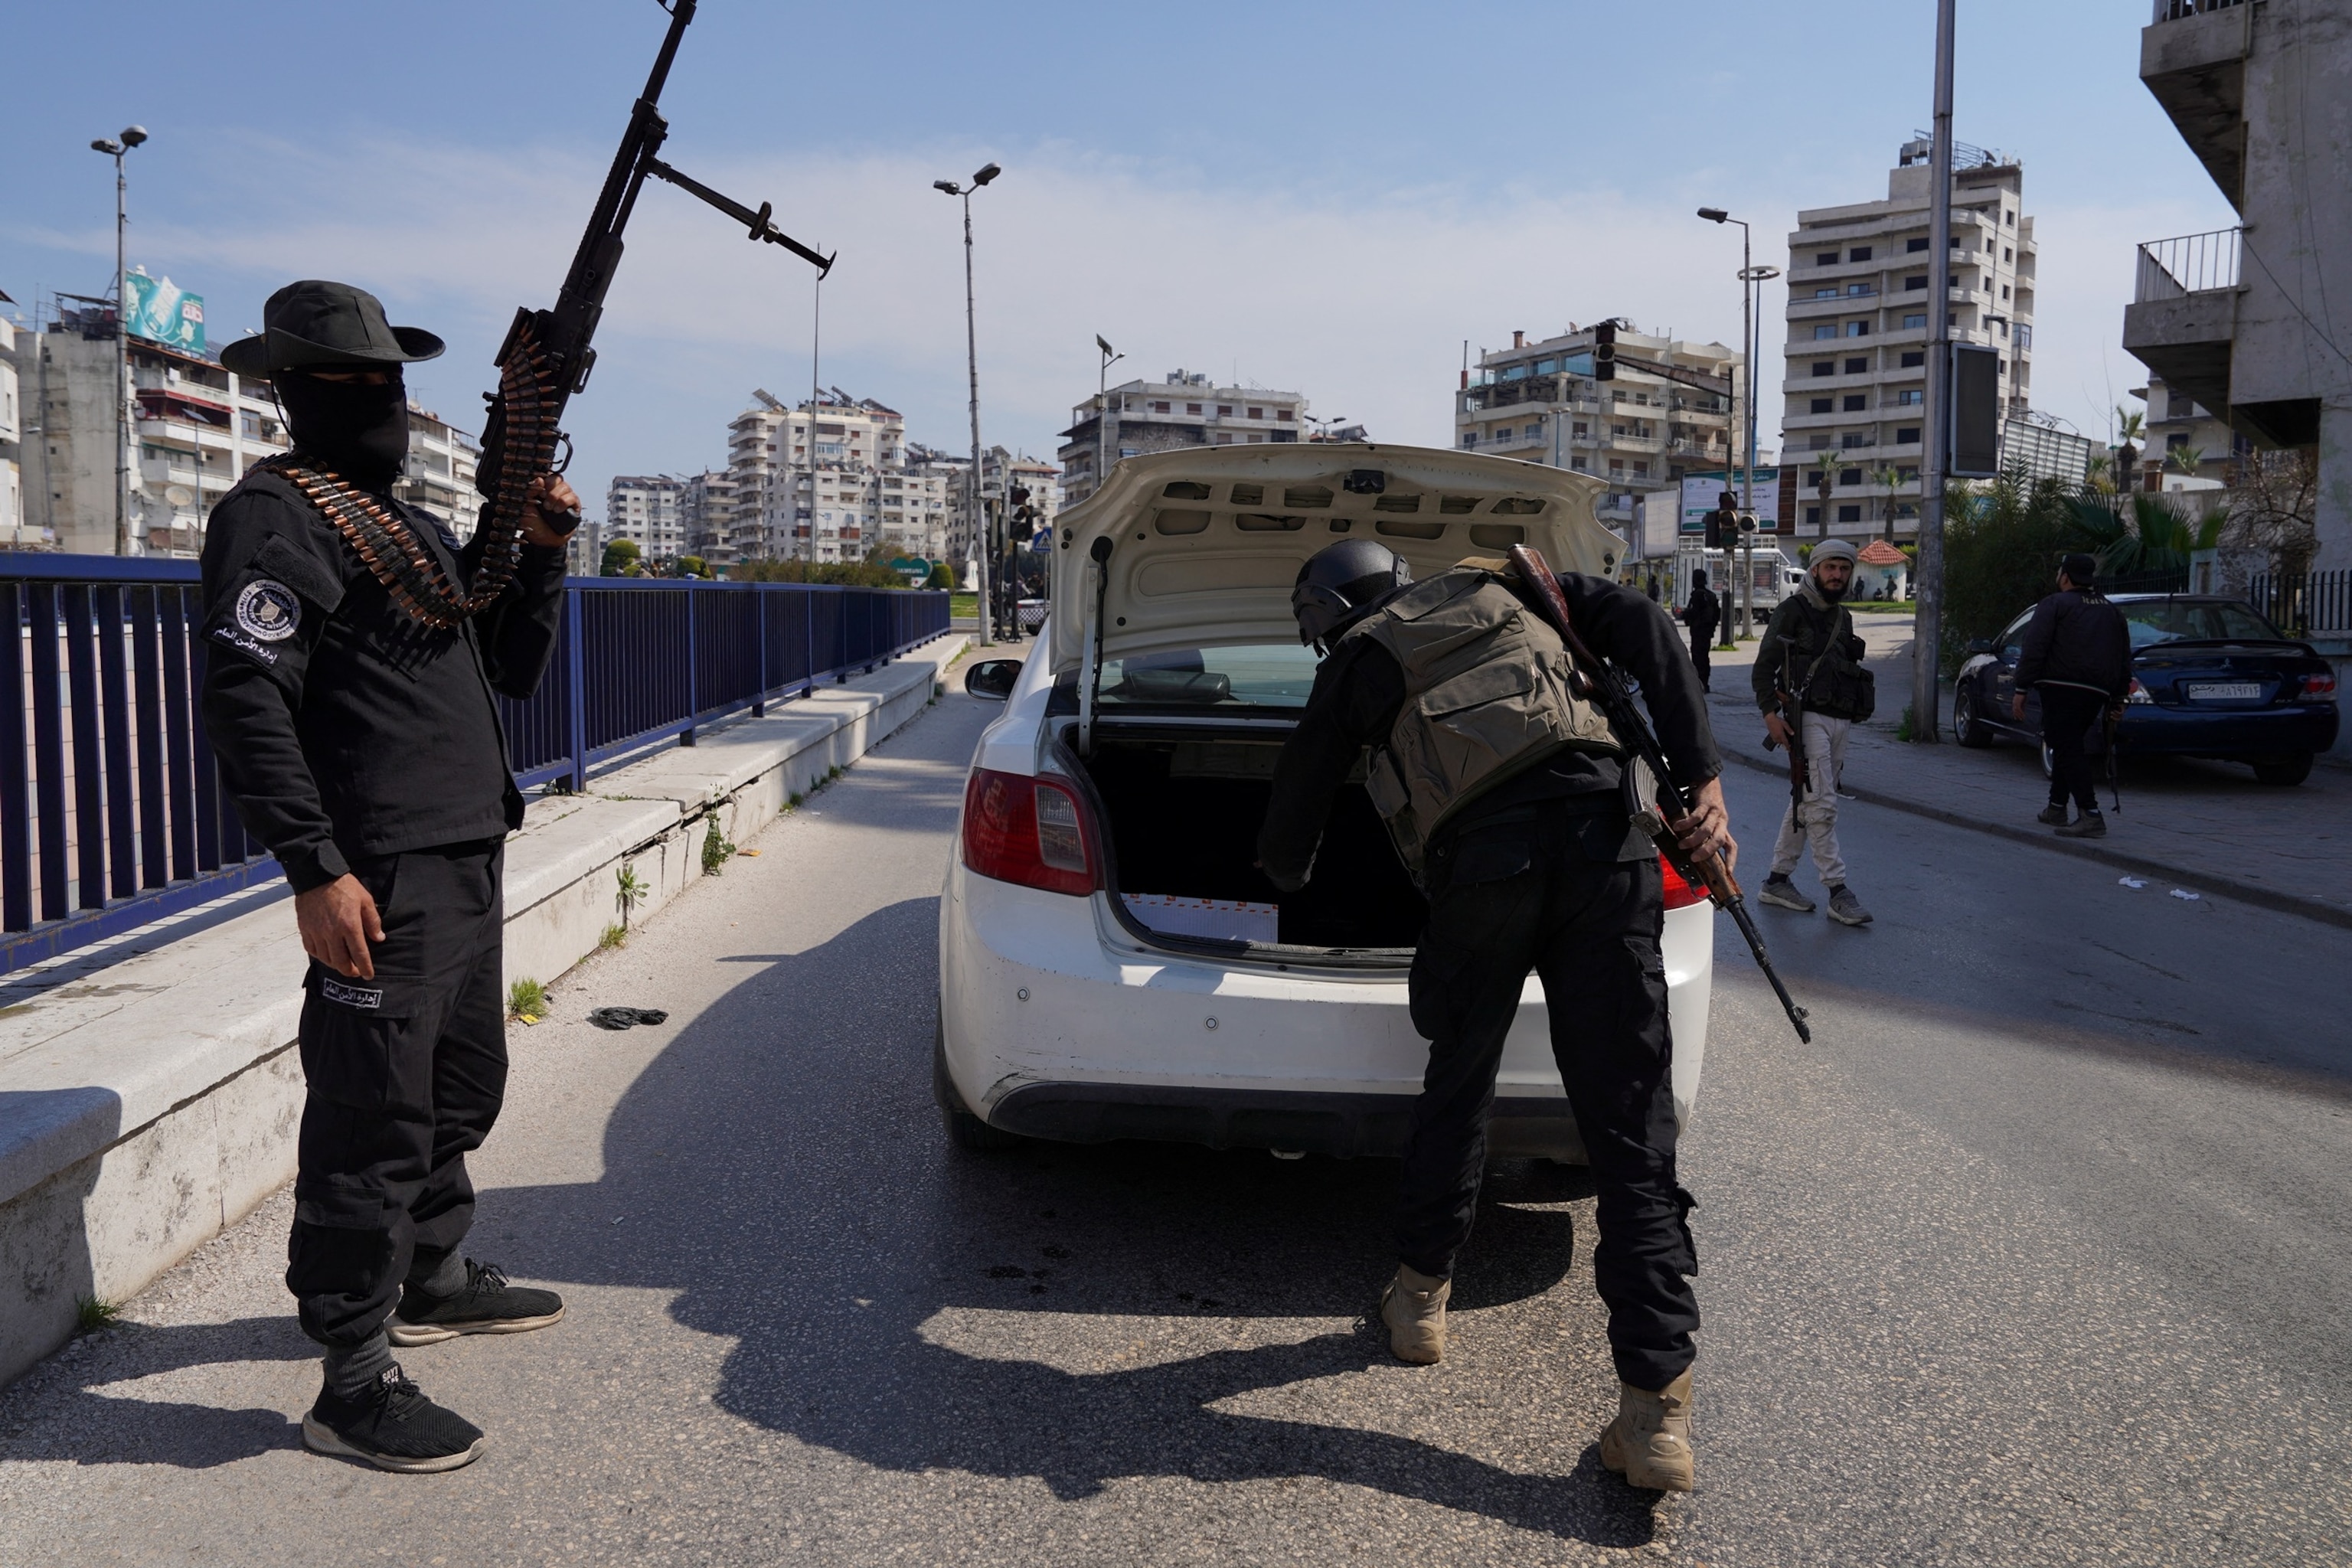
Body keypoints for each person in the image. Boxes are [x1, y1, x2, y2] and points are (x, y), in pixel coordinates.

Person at [1258, 538, 1732, 1494]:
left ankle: (1420, 1304)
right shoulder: (1508, 582)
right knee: (1631, 1132)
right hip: (1610, 848)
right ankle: (1656, 1418)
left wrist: (1289, 878)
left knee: (1459, 1079)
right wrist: (1703, 776)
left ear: (1324, 617)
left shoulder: (1359, 658)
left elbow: (1291, 819)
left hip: (1484, 873)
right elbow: (1642, 619)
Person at [203, 280, 579, 1473]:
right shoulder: (277, 516)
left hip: (464, 853)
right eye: (351, 386)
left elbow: (508, 669)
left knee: (460, 1087)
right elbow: (246, 696)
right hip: (382, 872)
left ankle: (432, 1274)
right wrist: (314, 869)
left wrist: (541, 557)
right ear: (292, 393)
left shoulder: (401, 525)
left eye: (391, 384)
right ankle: (352, 1378)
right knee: (370, 1118)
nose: (380, 404)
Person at [1752, 539, 1874, 927]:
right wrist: (1771, 714)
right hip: (1806, 720)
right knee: (1821, 803)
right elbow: (1762, 668)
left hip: (1839, 720)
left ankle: (1777, 879)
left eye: (1844, 568)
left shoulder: (1844, 617)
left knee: (1808, 799)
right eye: (1830, 567)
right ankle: (1838, 891)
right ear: (1816, 569)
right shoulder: (1792, 611)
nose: (1837, 575)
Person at [2012, 552, 2132, 838]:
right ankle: (2056, 807)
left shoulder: (2055, 604)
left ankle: (2090, 814)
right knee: (2070, 743)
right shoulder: (2111, 611)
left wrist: (2021, 688)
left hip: (2060, 686)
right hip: (2097, 693)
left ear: (2065, 576)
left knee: (2064, 744)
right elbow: (2123, 657)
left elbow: (2034, 647)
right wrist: (2118, 698)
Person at [1680, 569, 1720, 692]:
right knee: (1705, 657)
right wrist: (1711, 627)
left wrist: (1685, 614)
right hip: (1707, 632)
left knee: (1698, 658)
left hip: (1698, 632)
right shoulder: (1711, 595)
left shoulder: (1697, 595)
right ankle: (1705, 683)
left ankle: (1699, 683)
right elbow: (1717, 614)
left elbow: (1694, 613)